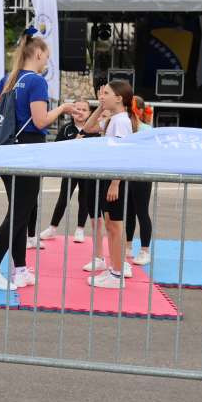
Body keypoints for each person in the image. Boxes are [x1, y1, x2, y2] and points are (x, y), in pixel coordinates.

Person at [0, 29, 72, 291]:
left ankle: (20, 269)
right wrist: (62, 108)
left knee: (20, 210)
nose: (46, 62)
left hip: (8, 149)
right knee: (20, 213)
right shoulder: (36, 81)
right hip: (28, 150)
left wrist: (2, 124)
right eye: (46, 57)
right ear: (39, 53)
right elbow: (41, 120)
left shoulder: (10, 78)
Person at [81, 80, 138, 289]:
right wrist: (100, 107)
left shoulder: (122, 121)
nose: (102, 96)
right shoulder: (113, 118)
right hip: (110, 177)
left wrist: (115, 183)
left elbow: (124, 154)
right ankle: (114, 269)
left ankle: (116, 273)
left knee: (115, 227)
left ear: (119, 98)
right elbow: (88, 128)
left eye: (106, 93)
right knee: (110, 226)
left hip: (116, 180)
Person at [36, 102, 93, 244]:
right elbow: (57, 148)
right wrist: (74, 143)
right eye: (77, 109)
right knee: (63, 197)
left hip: (88, 170)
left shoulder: (94, 129)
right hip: (70, 169)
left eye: (84, 109)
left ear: (90, 113)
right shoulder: (66, 128)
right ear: (72, 112)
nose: (80, 112)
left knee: (84, 199)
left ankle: (80, 229)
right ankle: (52, 228)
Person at [125, 96, 154, 266]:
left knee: (141, 211)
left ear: (140, 111)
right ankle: (128, 246)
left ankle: (145, 250)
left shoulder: (146, 129)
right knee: (128, 211)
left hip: (142, 175)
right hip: (127, 175)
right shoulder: (124, 125)